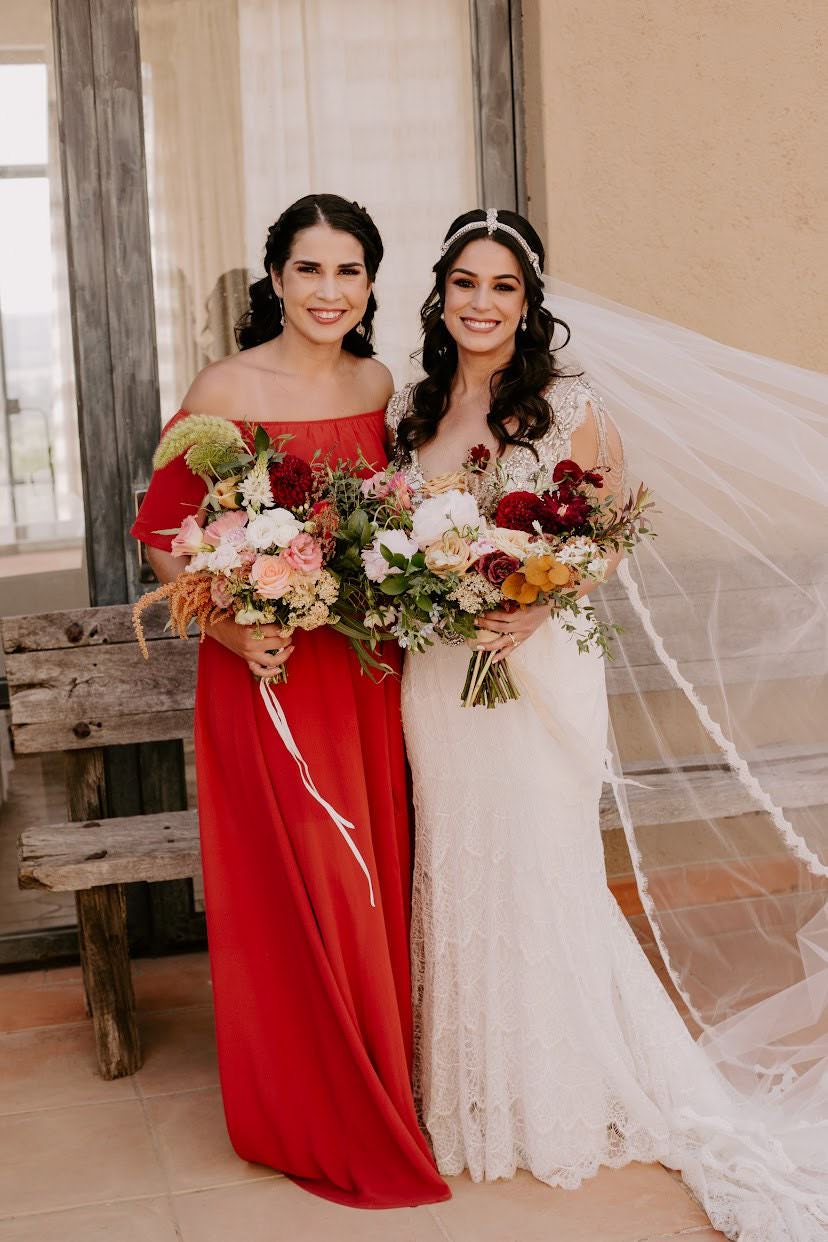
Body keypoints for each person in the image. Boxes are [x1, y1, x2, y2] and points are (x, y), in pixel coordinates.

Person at [386, 207, 828, 1239]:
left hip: (538, 662)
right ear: (439, 293)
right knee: (459, 862)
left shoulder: (568, 406)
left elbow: (614, 531)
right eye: (464, 282)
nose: (481, 302)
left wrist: (543, 597)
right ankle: (475, 1098)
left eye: (501, 286)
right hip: (442, 676)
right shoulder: (412, 410)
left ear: (529, 301)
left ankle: (568, 1093)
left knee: (542, 865)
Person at [131, 193, 448, 1209]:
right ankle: (303, 1107)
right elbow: (162, 529)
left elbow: (389, 519)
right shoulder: (226, 386)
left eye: (348, 271)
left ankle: (376, 1085)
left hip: (361, 670)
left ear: (369, 285)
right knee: (294, 881)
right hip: (263, 672)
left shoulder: (378, 380)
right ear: (275, 279)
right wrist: (229, 626)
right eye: (309, 270)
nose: (328, 290)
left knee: (365, 881)